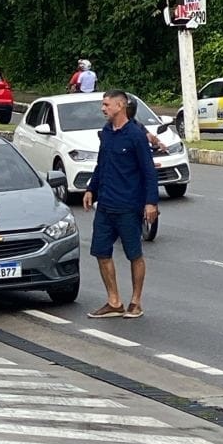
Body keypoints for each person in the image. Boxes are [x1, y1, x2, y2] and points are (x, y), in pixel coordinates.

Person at [83, 89, 158, 320]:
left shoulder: (135, 135)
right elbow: (101, 164)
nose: (103, 108)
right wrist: (91, 189)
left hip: (128, 206)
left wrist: (150, 203)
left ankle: (136, 301)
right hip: (105, 205)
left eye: (106, 104)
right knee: (101, 252)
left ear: (120, 106)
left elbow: (148, 171)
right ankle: (114, 301)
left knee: (134, 254)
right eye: (102, 104)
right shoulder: (106, 132)